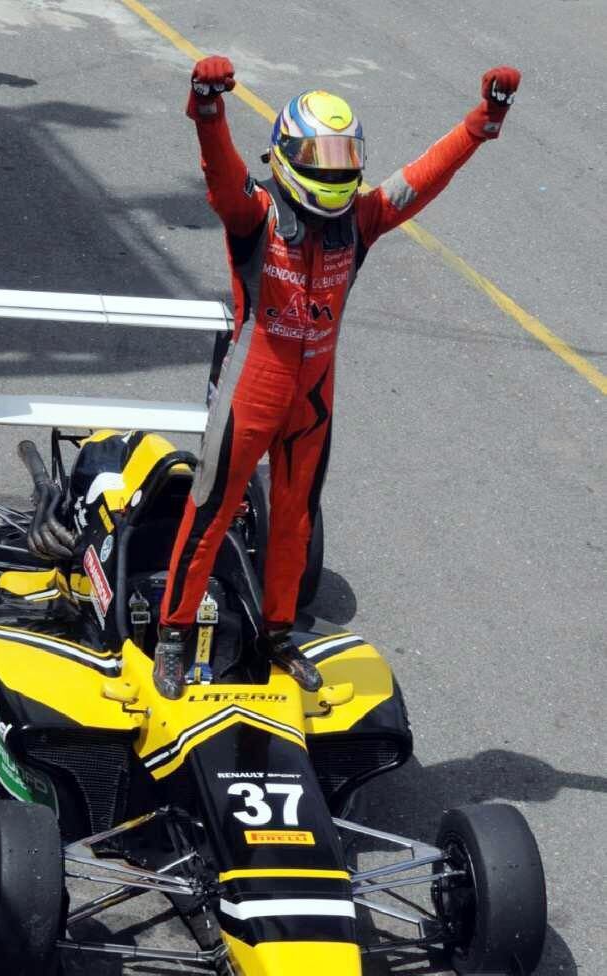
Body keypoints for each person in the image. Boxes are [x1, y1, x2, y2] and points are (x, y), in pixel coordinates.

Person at [153, 55, 521, 699]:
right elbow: (221, 177)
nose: (333, 168)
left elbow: (422, 178)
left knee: (295, 519)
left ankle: (276, 636)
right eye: (319, 156)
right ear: (288, 156)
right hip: (251, 390)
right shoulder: (255, 216)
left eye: (343, 156)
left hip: (313, 401)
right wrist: (207, 110)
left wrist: (481, 123)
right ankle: (173, 636)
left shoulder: (362, 219)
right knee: (210, 511)